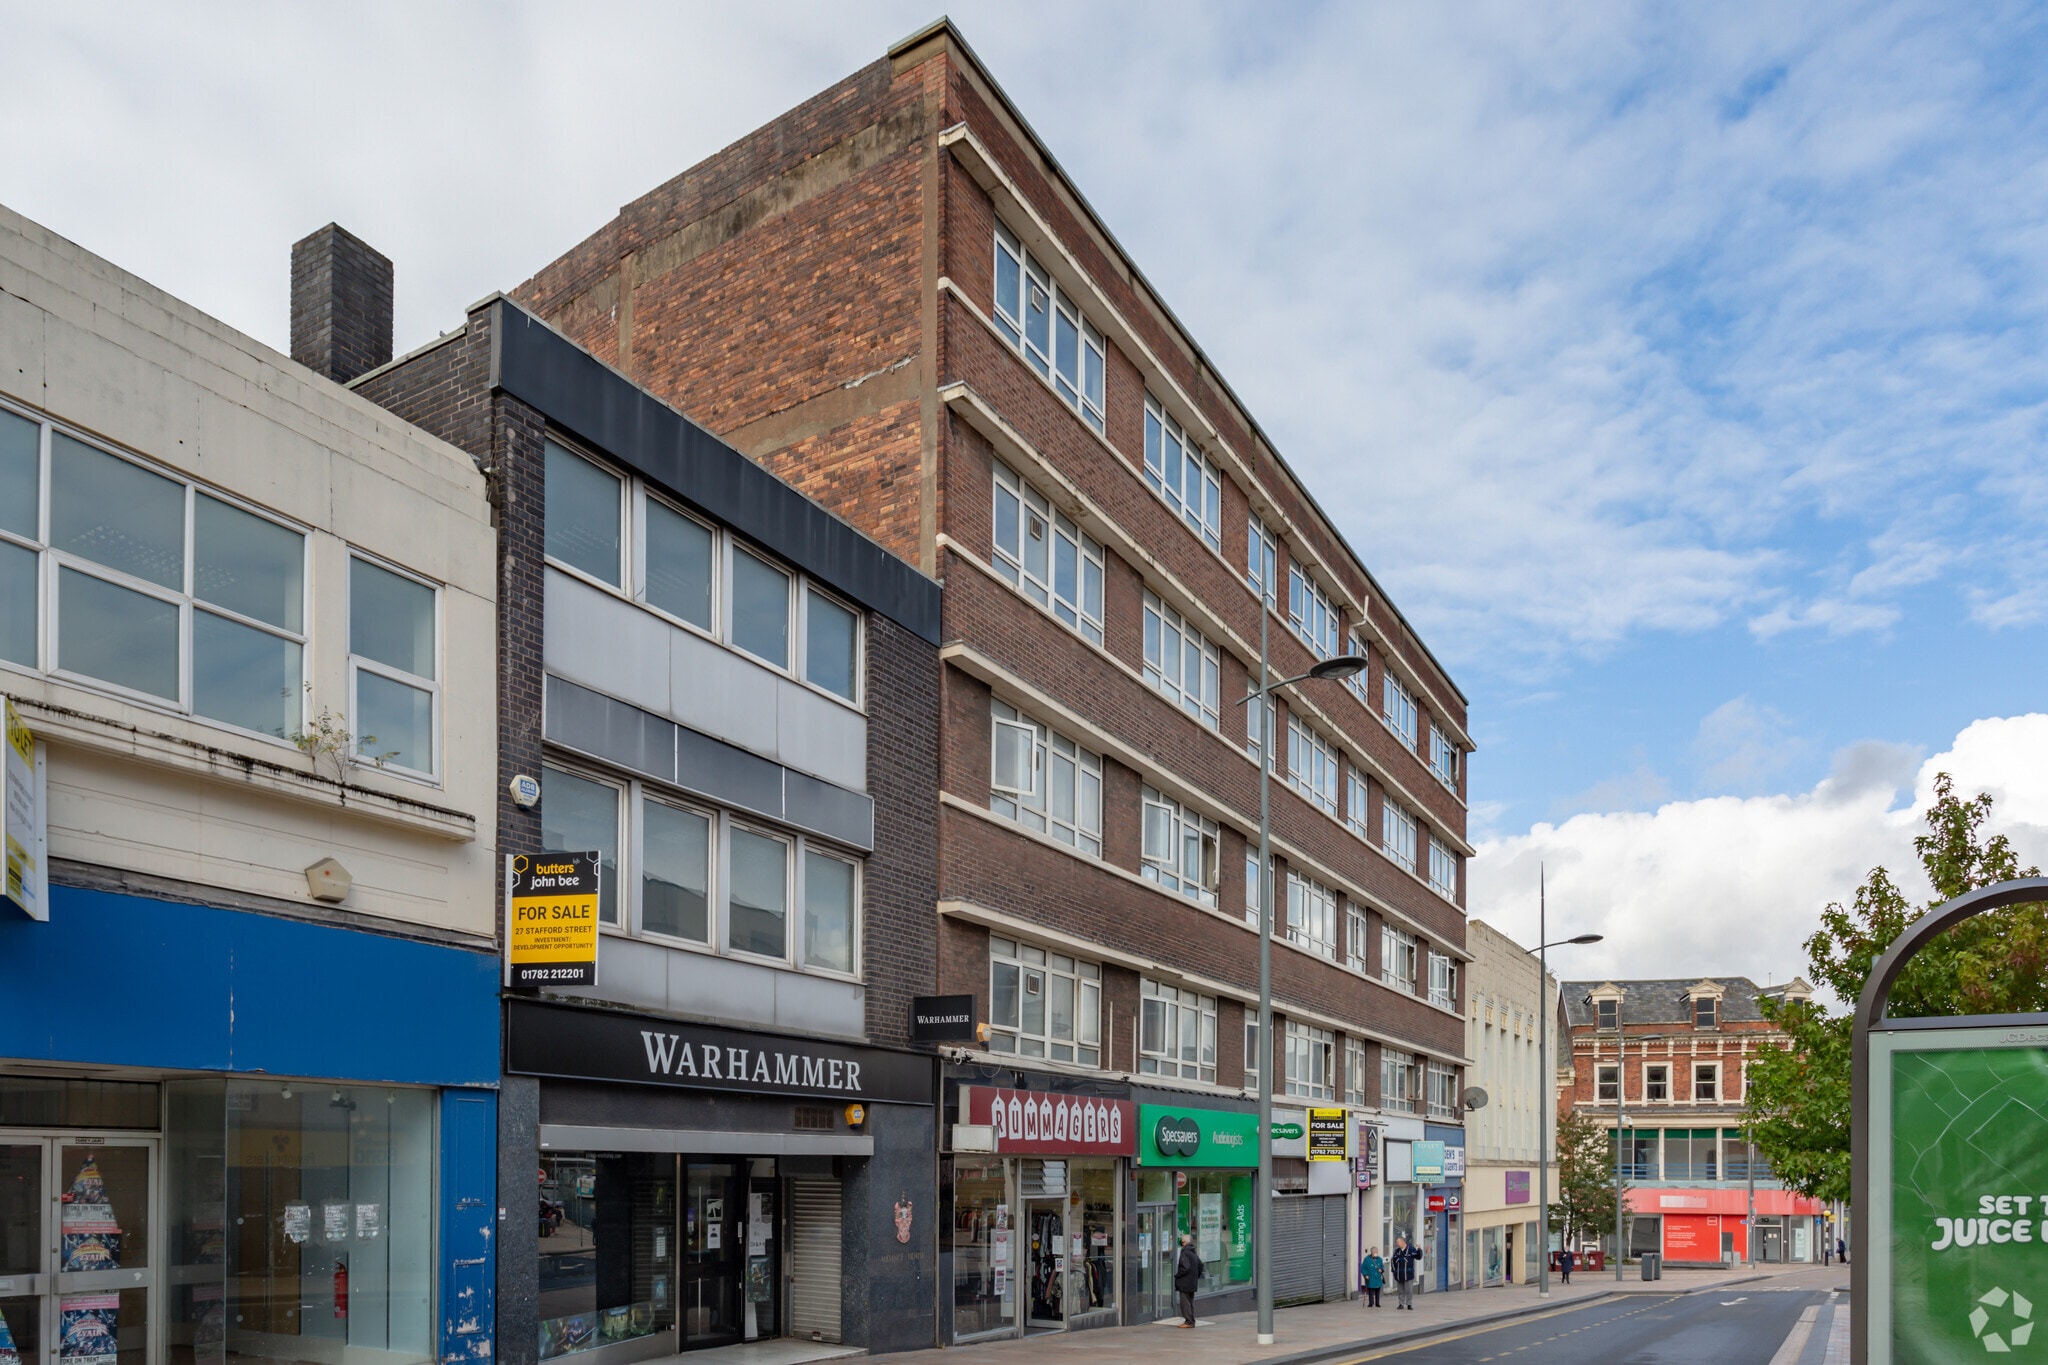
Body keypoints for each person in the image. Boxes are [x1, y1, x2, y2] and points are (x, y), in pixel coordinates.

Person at [1174, 1232, 1203, 1328]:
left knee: (1185, 1303)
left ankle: (1188, 1322)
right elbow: (1200, 1265)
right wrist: (1195, 1276)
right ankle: (1191, 1320)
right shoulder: (1193, 1251)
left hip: (1185, 1282)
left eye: (1181, 1242)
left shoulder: (1185, 1252)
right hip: (1192, 1282)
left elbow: (1185, 1267)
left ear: (1183, 1242)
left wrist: (1178, 1275)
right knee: (1190, 1302)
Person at [1391, 1236, 1421, 1309]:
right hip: (1399, 1274)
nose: (1397, 1244)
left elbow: (1418, 1257)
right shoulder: (1397, 1251)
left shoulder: (1411, 1249)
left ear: (1402, 1242)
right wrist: (1394, 1271)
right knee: (1400, 1290)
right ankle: (1401, 1304)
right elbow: (1393, 1261)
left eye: (1398, 1242)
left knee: (1409, 1290)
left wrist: (1419, 1250)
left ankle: (1409, 1304)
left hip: (1408, 1274)